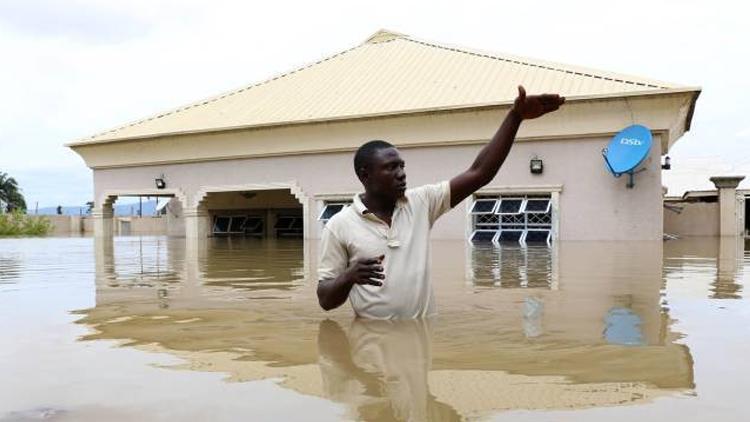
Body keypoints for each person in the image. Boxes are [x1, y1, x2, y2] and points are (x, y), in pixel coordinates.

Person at [317, 86, 564, 319]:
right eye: (391, 168)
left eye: (402, 166)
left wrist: (515, 117)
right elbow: (325, 300)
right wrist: (349, 276)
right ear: (365, 175)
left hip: (418, 346)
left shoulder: (421, 203)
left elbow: (480, 173)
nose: (401, 173)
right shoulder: (339, 226)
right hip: (370, 347)